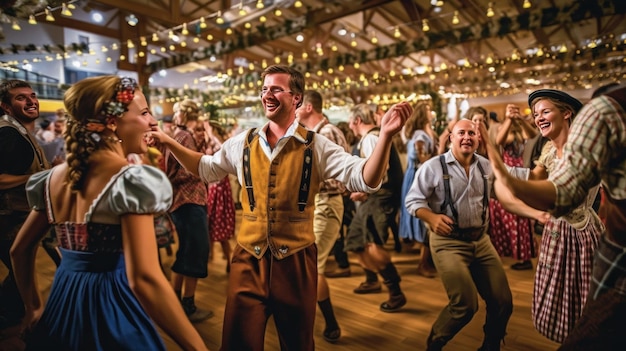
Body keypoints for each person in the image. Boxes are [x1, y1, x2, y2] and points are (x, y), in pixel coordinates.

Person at [149, 64, 412, 351]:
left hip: (296, 261)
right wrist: (167, 141)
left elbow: (365, 177)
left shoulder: (317, 145)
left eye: (275, 88)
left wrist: (385, 136)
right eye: (264, 89)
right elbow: (206, 167)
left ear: (296, 98)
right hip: (248, 260)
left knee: (297, 344)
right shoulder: (243, 142)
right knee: (237, 344)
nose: (267, 95)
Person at [9, 76, 207, 350]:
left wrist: (33, 307)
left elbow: (19, 249)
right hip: (110, 304)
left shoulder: (52, 178)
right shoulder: (130, 181)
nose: (153, 122)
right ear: (112, 123)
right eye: (145, 113)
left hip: (63, 302)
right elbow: (145, 279)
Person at [483, 84, 626, 350]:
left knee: (586, 300)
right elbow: (534, 185)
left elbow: (566, 192)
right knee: (559, 293)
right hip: (555, 229)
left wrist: (504, 176)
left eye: (545, 111)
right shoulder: (547, 150)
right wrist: (503, 177)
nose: (538, 118)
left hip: (581, 231)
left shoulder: (583, 149)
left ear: (567, 113)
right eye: (535, 113)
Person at [405, 119, 513, 351]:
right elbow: (412, 201)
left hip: (481, 240)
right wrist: (431, 218)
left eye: (472, 133)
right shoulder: (433, 166)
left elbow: (515, 179)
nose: (467, 137)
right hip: (448, 243)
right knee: (465, 305)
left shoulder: (486, 166)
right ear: (451, 137)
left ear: (479, 138)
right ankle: (435, 342)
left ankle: (491, 345)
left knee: (503, 301)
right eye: (461, 133)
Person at [296, 90, 350, 343]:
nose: (294, 109)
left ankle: (329, 322)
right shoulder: (323, 131)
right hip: (322, 202)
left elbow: (330, 174)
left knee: (312, 267)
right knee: (307, 266)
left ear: (307, 107)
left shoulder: (325, 133)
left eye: (297, 105)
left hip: (327, 203)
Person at [345, 103, 407, 312]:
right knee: (356, 241)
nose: (349, 125)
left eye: (350, 121)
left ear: (357, 121)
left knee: (372, 244)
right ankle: (372, 280)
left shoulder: (371, 138)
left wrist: (363, 191)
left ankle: (396, 292)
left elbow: (382, 170)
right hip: (374, 199)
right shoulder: (371, 136)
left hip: (379, 198)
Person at [0, 80, 51, 331]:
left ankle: (15, 321)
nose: (31, 101)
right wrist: (38, 178)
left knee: (21, 275)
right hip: (8, 219)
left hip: (21, 217)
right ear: (6, 107)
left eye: (32, 95)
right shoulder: (8, 134)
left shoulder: (19, 131)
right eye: (21, 98)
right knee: (22, 275)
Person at [158, 99, 213, 323]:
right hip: (189, 200)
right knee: (197, 252)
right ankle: (188, 305)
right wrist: (204, 167)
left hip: (180, 201)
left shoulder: (177, 135)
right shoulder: (186, 136)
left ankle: (175, 301)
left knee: (186, 251)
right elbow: (185, 171)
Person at [489, 103, 538, 270]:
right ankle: (511, 253)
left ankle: (524, 257)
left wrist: (520, 119)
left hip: (521, 174)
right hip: (507, 173)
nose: (513, 112)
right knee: (509, 216)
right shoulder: (504, 127)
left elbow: (532, 134)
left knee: (520, 217)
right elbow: (499, 140)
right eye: (510, 109)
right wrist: (510, 119)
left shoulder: (522, 129)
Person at [398, 102, 437, 278]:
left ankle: (427, 261)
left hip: (421, 174)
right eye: (428, 110)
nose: (431, 112)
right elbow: (422, 158)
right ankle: (423, 263)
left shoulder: (427, 132)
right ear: (422, 114)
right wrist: (441, 147)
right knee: (424, 216)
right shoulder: (420, 135)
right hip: (417, 176)